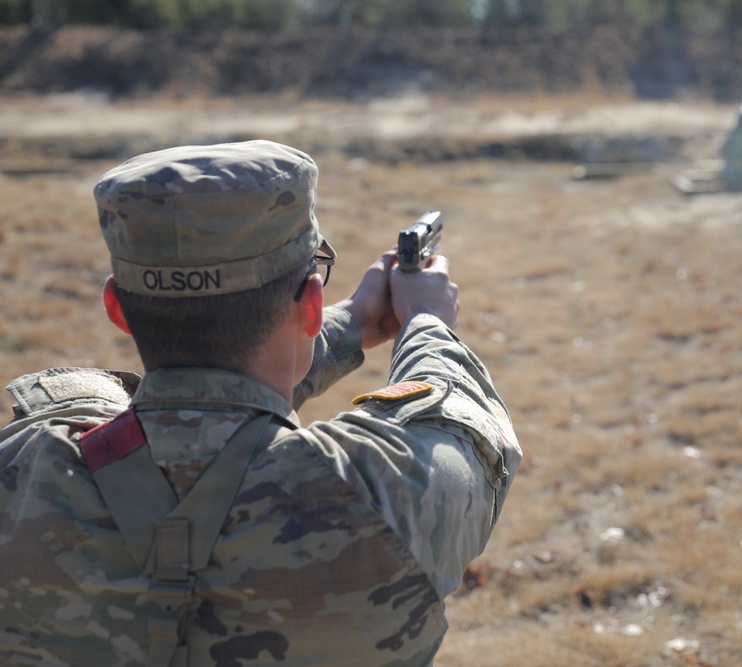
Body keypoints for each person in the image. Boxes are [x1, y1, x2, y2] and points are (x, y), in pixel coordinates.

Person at [0, 140, 521, 667]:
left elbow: (175, 403)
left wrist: (347, 324)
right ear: (312, 304)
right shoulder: (379, 492)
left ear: (117, 307)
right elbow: (463, 427)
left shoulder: (23, 467)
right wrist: (425, 322)